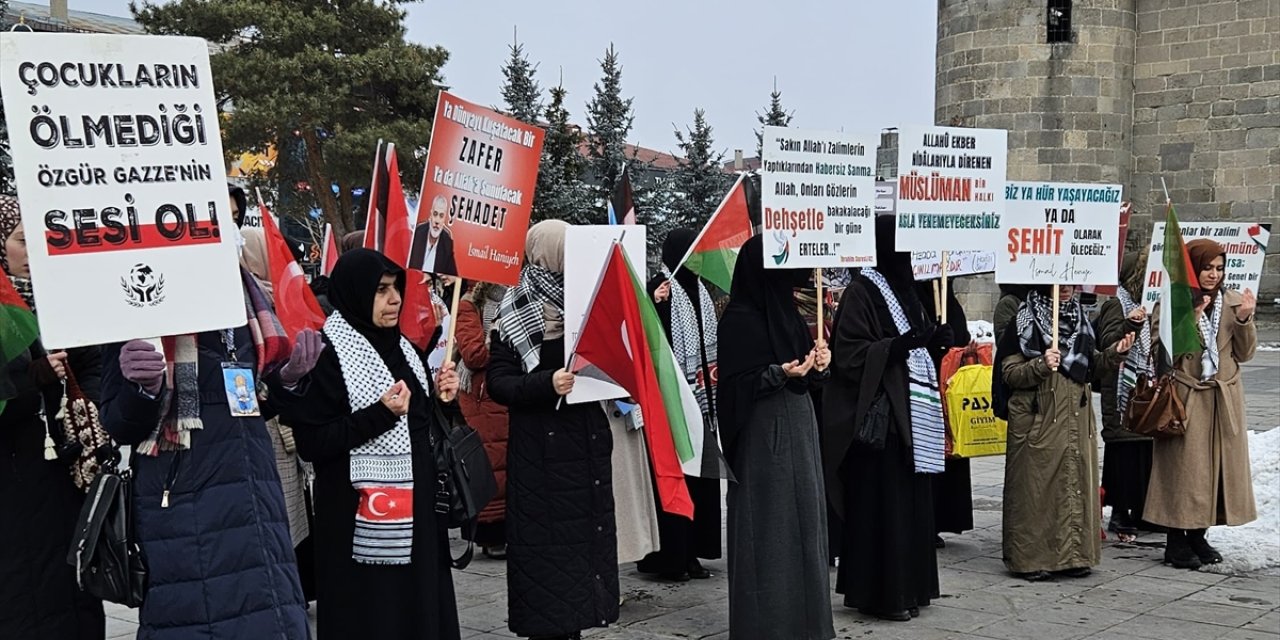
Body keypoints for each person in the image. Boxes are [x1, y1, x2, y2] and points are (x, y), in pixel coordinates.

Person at [100, 259, 321, 639]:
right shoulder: (136, 293)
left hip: (257, 499)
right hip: (185, 509)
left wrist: (286, 379)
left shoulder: (244, 290)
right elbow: (120, 424)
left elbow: (250, 396)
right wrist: (143, 390)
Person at [275, 249, 462, 639]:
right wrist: (379, 415)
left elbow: (421, 426)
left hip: (418, 515)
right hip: (356, 520)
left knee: (418, 611)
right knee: (372, 617)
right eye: (381, 291)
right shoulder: (327, 355)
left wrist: (445, 399)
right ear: (356, 293)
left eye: (396, 288)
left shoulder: (406, 349)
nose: (394, 299)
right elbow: (313, 443)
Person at [487, 220, 619, 640]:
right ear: (549, 253)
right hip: (542, 457)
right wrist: (547, 383)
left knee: (581, 556)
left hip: (584, 446)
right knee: (549, 561)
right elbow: (499, 382)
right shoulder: (515, 309)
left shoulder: (585, 301)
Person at [824, 215, 948, 622]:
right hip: (883, 422)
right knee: (884, 509)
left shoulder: (907, 291)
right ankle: (882, 594)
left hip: (913, 415)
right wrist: (896, 346)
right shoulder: (862, 291)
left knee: (910, 508)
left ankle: (911, 588)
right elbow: (851, 353)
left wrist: (935, 342)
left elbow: (920, 348)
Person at [0, 196, 106, 639]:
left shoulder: (62, 300)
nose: (33, 251)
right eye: (23, 240)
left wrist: (89, 399)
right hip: (12, 483)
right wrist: (32, 378)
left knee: (73, 588)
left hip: (66, 472)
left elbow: (93, 367)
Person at [718, 235, 834, 640]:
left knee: (806, 526)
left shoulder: (785, 312)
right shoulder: (740, 318)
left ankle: (808, 623)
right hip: (763, 436)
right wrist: (777, 374)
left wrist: (818, 365)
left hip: (799, 428)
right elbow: (732, 388)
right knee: (770, 530)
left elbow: (808, 379)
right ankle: (767, 625)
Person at [996, 284, 1132, 581]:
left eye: (1072, 284)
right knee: (1037, 491)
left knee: (1074, 485)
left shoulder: (1081, 319)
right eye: (1062, 285)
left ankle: (1074, 556)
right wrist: (1040, 365)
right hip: (1038, 418)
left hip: (1075, 419)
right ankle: (1031, 559)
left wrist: (1114, 354)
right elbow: (1009, 374)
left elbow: (1091, 366)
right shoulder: (1024, 319)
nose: (1068, 290)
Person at [1146, 239, 1258, 569]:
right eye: (1207, 268)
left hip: (1222, 401)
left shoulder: (1232, 302)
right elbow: (1160, 356)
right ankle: (1175, 541)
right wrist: (1188, 321)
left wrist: (1244, 321)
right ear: (1193, 269)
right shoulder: (1172, 304)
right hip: (1186, 399)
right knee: (1182, 473)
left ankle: (1198, 534)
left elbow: (1245, 353)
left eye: (1220, 268)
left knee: (1212, 472)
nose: (1214, 275)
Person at [639, 228, 722, 581]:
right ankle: (671, 555)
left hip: (702, 401)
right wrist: (653, 303)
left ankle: (694, 553)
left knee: (700, 479)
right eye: (689, 251)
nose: (694, 257)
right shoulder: (660, 285)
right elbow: (648, 336)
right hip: (672, 400)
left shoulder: (700, 288)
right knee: (676, 479)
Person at [239, 227, 317, 597]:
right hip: (263, 428)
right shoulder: (245, 303)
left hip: (288, 426)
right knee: (275, 517)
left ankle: (294, 589)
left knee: (293, 515)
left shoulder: (282, 297)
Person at [1097, 251, 1156, 539]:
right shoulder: (1115, 304)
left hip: (1144, 390)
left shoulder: (1149, 305)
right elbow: (1108, 342)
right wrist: (1131, 325)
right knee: (1124, 454)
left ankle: (1143, 510)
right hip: (1121, 393)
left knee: (1144, 451)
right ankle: (1120, 512)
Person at [455, 280, 511, 559]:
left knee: (507, 460)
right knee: (490, 462)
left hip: (505, 390)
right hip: (482, 397)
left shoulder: (513, 298)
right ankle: (490, 534)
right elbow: (473, 354)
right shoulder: (468, 305)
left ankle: (508, 529)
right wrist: (502, 340)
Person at [916, 278, 973, 546]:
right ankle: (927, 520)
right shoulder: (917, 301)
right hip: (926, 393)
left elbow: (961, 338)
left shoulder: (949, 303)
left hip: (949, 391)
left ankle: (943, 518)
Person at [409, 195, 458, 276]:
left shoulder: (447, 242)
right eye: (435, 214)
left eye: (441, 216)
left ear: (444, 219)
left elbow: (452, 274)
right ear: (431, 214)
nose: (437, 221)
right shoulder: (418, 234)